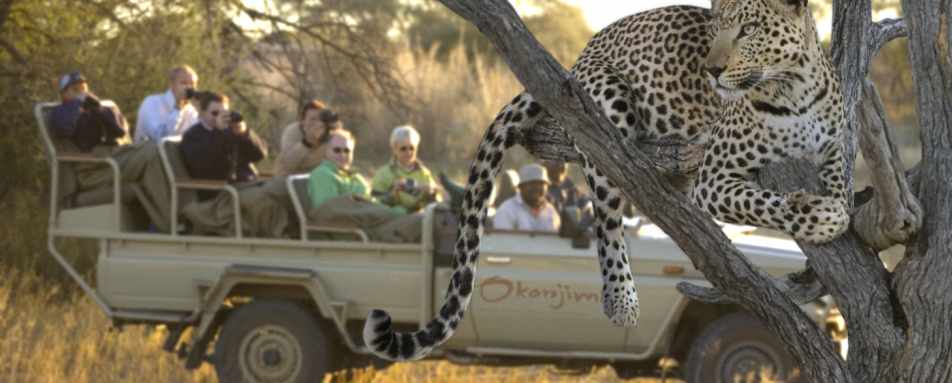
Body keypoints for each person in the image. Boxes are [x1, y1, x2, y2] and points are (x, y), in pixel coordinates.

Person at [306, 130, 422, 243]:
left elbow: (369, 203)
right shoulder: (323, 174)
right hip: (357, 234)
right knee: (424, 222)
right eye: (337, 150)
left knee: (429, 218)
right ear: (326, 151)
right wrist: (394, 213)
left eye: (347, 151)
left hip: (375, 226)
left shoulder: (355, 177)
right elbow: (329, 213)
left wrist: (391, 196)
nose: (342, 155)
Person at [179, 92, 267, 200]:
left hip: (246, 185)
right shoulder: (192, 136)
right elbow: (206, 167)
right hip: (220, 193)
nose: (220, 117)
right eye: (215, 113)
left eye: (224, 113)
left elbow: (260, 155)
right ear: (202, 114)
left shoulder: (231, 131)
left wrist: (244, 134)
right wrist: (219, 132)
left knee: (282, 195)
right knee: (267, 202)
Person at [50, 71, 130, 153]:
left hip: (118, 149)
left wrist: (99, 108)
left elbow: (120, 132)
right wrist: (77, 104)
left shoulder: (95, 108)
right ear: (64, 94)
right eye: (75, 89)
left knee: (143, 150)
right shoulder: (60, 110)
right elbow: (64, 129)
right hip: (96, 155)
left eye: (83, 88)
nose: (81, 93)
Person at [371, 125, 441, 213]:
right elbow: (374, 205)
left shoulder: (424, 173)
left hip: (419, 220)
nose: (408, 152)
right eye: (403, 149)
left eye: (412, 148)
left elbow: (437, 204)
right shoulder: (383, 174)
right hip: (392, 221)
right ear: (394, 149)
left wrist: (432, 193)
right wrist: (392, 194)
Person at [274, 100, 343, 176]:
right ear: (302, 121)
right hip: (289, 178)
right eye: (312, 119)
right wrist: (307, 142)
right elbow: (288, 164)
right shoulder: (293, 131)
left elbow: (340, 160)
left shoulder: (329, 132)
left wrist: (338, 132)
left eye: (321, 119)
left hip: (318, 178)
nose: (317, 123)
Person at [135, 65, 199, 143]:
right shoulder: (152, 103)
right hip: (150, 154)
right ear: (171, 84)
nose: (189, 88)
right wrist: (178, 108)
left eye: (192, 84)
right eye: (184, 83)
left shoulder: (192, 110)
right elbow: (160, 137)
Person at [492, 163, 561, 233]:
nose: (537, 188)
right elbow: (502, 241)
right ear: (521, 187)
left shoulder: (551, 211)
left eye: (541, 184)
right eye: (532, 184)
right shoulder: (507, 210)